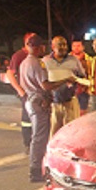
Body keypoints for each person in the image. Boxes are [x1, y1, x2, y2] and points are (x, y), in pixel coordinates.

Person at [19, 33, 75, 182]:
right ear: (40, 47)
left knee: (37, 136)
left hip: (30, 100)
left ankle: (37, 168)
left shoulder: (24, 62)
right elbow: (46, 85)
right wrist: (65, 80)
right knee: (40, 137)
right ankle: (36, 171)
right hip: (39, 102)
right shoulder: (38, 63)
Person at [43, 36, 86, 137]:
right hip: (53, 104)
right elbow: (42, 82)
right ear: (53, 46)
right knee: (54, 134)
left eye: (65, 44)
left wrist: (80, 86)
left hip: (70, 102)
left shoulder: (74, 60)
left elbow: (82, 77)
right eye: (60, 45)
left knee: (71, 135)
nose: (63, 47)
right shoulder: (45, 61)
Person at [7, 33, 34, 154]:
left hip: (38, 93)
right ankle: (28, 144)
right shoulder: (19, 56)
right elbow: (10, 74)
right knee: (27, 119)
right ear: (26, 42)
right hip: (26, 94)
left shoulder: (37, 54)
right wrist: (20, 91)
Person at [70, 40, 91, 115]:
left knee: (83, 112)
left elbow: (91, 74)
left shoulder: (89, 60)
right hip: (70, 90)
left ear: (83, 47)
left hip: (83, 90)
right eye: (74, 46)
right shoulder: (66, 59)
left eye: (78, 46)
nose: (76, 48)